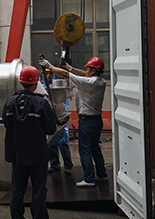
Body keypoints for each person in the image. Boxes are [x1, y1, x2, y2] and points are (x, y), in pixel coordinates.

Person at [2, 65, 57, 219]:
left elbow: (6, 123)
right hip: (37, 155)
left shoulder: (10, 103)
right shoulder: (41, 103)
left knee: (17, 189)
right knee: (38, 190)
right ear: (36, 83)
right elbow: (51, 128)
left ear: (21, 82)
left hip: (17, 154)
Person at [39, 56, 108, 187]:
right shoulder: (101, 81)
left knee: (85, 150)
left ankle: (89, 179)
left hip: (87, 121)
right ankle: (102, 174)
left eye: (88, 69)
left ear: (93, 71)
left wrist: (50, 66)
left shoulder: (88, 83)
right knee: (95, 148)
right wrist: (71, 68)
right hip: (96, 120)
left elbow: (66, 75)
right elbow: (84, 75)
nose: (86, 71)